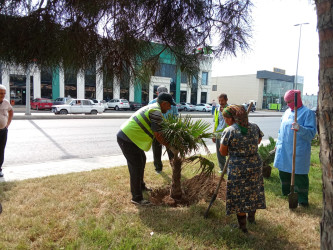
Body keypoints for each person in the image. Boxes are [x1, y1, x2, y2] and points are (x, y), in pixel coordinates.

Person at [117, 92, 176, 205]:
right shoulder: (156, 112)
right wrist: (170, 146)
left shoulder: (154, 108)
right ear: (164, 103)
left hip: (131, 139)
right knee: (135, 167)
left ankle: (141, 186)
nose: (169, 109)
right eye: (169, 106)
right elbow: (158, 135)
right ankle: (137, 198)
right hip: (128, 139)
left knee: (142, 160)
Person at [219, 105, 266, 233]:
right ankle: (252, 219)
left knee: (239, 195)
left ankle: (243, 227)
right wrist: (248, 145)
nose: (225, 120)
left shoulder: (230, 131)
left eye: (225, 118)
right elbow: (259, 140)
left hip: (238, 167)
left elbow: (223, 152)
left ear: (232, 118)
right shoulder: (254, 127)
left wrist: (236, 149)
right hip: (255, 164)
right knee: (252, 191)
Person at [273, 89, 316, 207]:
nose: (287, 105)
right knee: (284, 172)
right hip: (284, 148)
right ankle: (286, 193)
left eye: (290, 101)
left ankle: (302, 200)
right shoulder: (286, 112)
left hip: (298, 150)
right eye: (286, 102)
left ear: (297, 100)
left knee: (299, 175)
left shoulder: (307, 113)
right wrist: (277, 144)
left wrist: (300, 128)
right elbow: (280, 130)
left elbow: (312, 134)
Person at [148, 85, 178, 173]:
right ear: (157, 93)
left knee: (171, 150)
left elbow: (175, 117)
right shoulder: (152, 103)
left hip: (169, 130)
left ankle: (173, 167)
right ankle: (158, 168)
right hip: (157, 129)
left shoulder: (172, 103)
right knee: (157, 150)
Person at [212, 93, 228, 173]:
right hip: (218, 133)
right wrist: (213, 134)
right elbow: (216, 122)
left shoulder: (230, 109)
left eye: (222, 101)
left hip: (228, 133)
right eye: (219, 101)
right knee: (219, 151)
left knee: (228, 151)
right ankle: (223, 169)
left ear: (226, 100)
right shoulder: (217, 109)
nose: (221, 102)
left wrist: (225, 111)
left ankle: (229, 168)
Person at [0, 85, 14, 178]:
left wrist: (7, 124)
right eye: (1, 93)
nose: (3, 95)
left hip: (3, 131)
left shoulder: (6, 102)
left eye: (4, 93)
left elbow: (11, 111)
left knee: (1, 150)